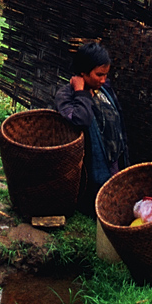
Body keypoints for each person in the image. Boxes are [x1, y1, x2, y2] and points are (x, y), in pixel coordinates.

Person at [54, 41, 128, 207]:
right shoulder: (66, 96)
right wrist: (81, 93)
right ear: (83, 72)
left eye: (106, 75)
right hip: (90, 167)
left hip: (112, 158)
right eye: (99, 74)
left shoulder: (104, 89)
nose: (103, 79)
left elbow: (117, 118)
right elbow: (81, 120)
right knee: (97, 201)